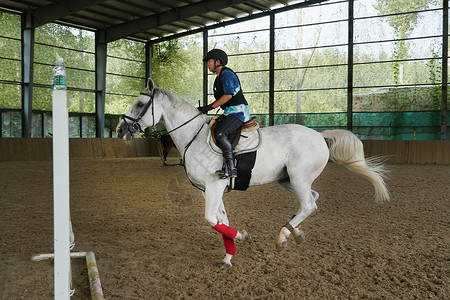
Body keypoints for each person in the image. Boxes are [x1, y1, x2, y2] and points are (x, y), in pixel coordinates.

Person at [198, 49, 250, 179]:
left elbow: (228, 95)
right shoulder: (218, 78)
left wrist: (210, 107)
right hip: (229, 112)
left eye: (209, 61)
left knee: (220, 132)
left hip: (238, 112)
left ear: (218, 61)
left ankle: (231, 168)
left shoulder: (227, 74)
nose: (207, 64)